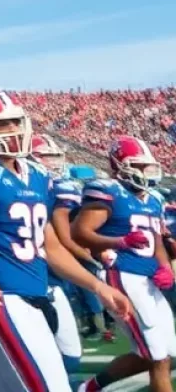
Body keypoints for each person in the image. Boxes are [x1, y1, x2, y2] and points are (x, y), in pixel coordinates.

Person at [0, 89, 130, 392]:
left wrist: (98, 286)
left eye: (16, 121)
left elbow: (51, 248)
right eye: (1, 124)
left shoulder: (38, 175)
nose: (14, 130)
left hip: (34, 294)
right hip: (0, 299)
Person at [74, 137, 175, 392]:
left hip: (148, 278)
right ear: (120, 166)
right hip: (123, 275)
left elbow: (156, 241)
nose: (144, 172)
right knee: (157, 356)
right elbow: (80, 232)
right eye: (138, 166)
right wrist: (120, 241)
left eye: (146, 166)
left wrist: (164, 266)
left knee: (164, 352)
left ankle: (90, 387)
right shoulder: (109, 193)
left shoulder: (153, 199)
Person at [30, 133, 84, 373]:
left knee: (69, 356)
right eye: (47, 157)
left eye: (55, 157)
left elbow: (55, 242)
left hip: (51, 276)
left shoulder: (53, 189)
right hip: (19, 280)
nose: (53, 163)